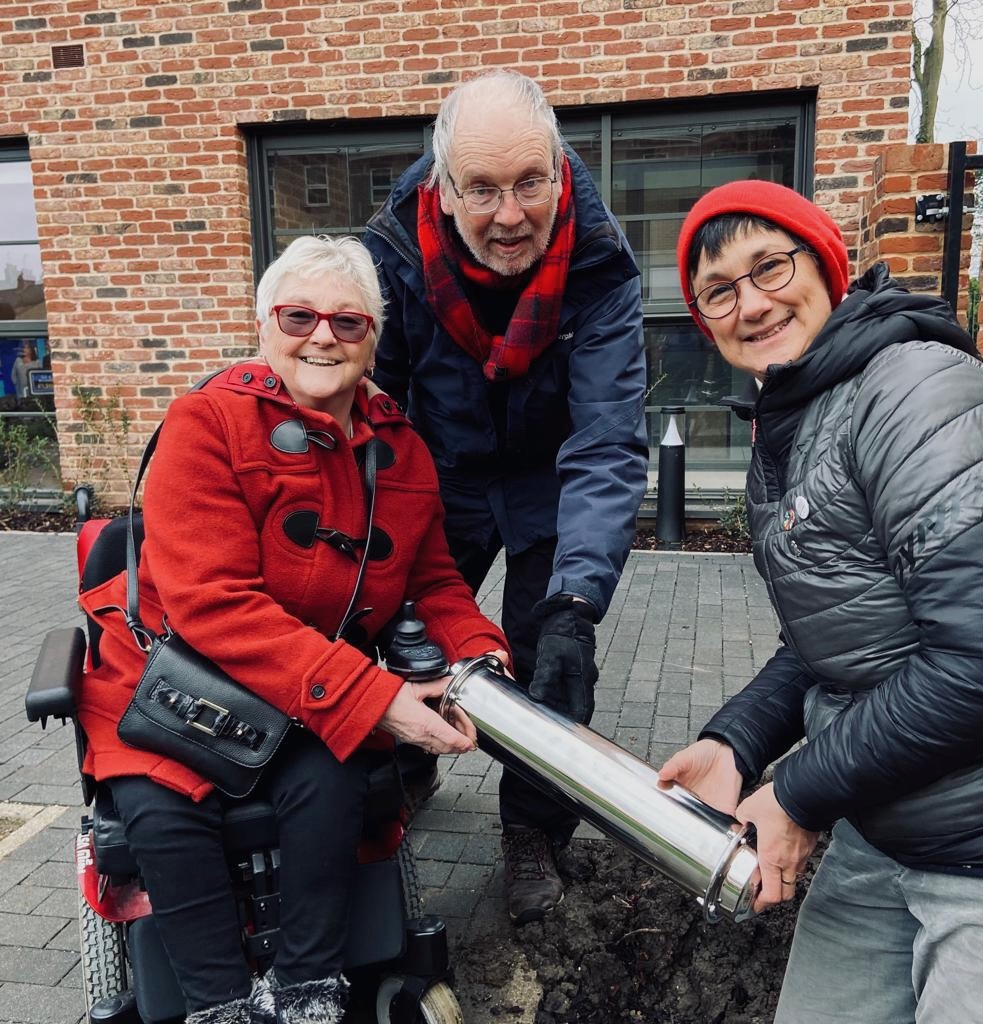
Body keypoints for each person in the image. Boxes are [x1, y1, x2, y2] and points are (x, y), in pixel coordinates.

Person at [77, 236, 510, 1024]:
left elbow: (434, 582)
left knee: (336, 780)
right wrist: (372, 695)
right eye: (300, 315)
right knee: (166, 810)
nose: (323, 336)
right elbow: (210, 605)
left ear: (373, 340)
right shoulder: (205, 422)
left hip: (305, 687)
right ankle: (217, 1006)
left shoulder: (400, 448)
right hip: (173, 684)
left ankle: (308, 988)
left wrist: (480, 654)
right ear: (264, 325)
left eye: (349, 323)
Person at [660, 180, 983, 1022]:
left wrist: (796, 796)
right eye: (720, 290)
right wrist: (739, 743)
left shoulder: (915, 392)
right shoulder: (791, 420)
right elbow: (839, 634)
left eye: (771, 267)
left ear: (827, 265)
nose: (751, 304)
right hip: (884, 826)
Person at [364, 70, 649, 925]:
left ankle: (533, 828)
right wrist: (378, 525)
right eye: (481, 189)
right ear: (445, 190)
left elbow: (605, 439)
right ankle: (406, 766)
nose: (509, 213)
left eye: (529, 183)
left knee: (549, 654)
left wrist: (578, 599)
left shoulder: (598, 265)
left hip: (549, 478)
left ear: (560, 174)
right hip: (438, 470)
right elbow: (374, 405)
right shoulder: (391, 255)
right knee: (394, 624)